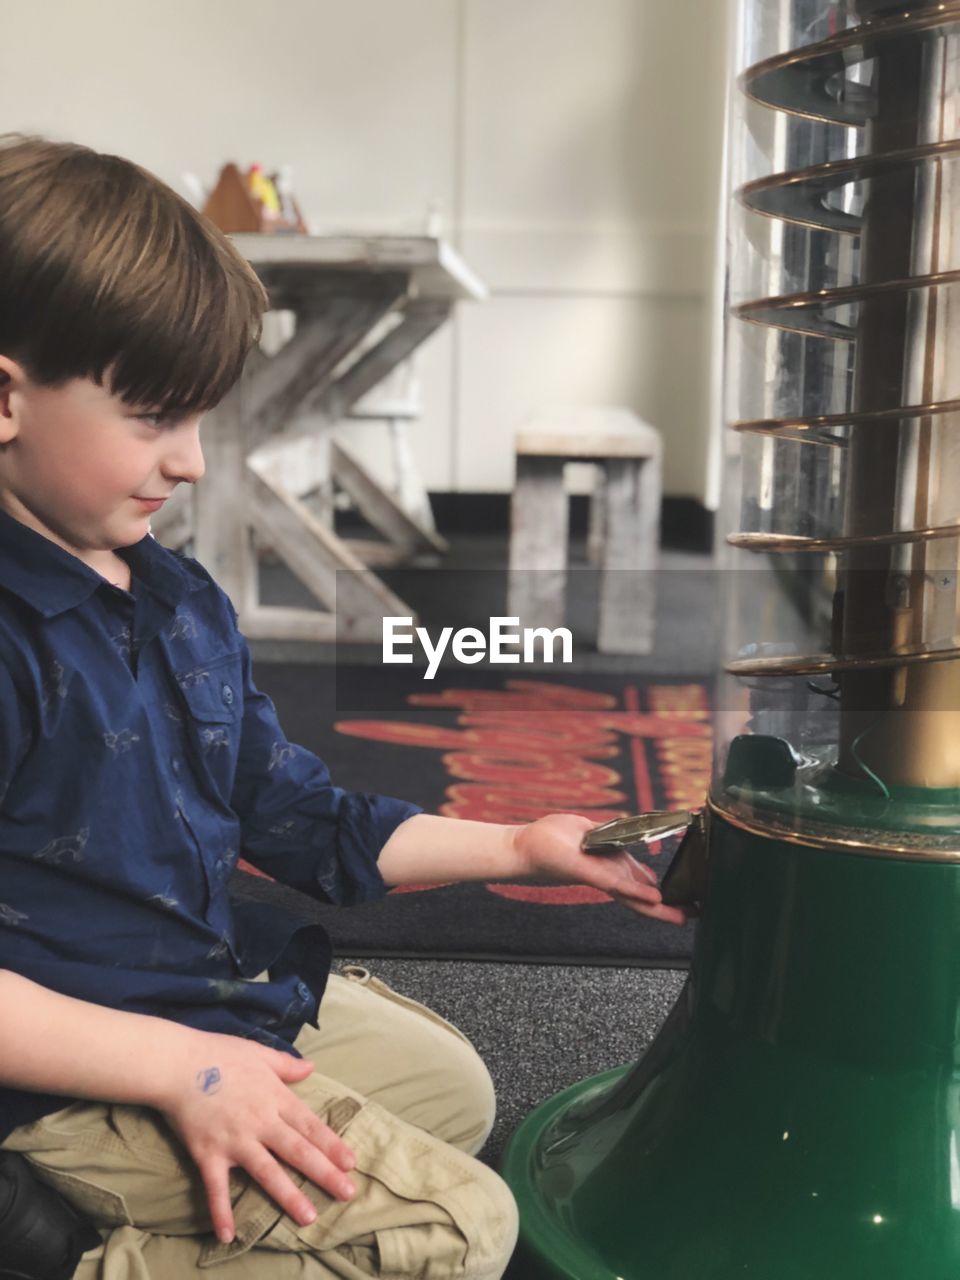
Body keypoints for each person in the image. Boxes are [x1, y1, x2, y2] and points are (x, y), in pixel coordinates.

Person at [0, 134, 686, 1280]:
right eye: (155, 417)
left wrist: (521, 845)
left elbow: (297, 813)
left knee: (458, 1091)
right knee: (463, 1225)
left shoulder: (172, 592)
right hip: (64, 1063)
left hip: (187, 987)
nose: (196, 463)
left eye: (203, 417)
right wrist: (180, 1069)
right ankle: (64, 1248)